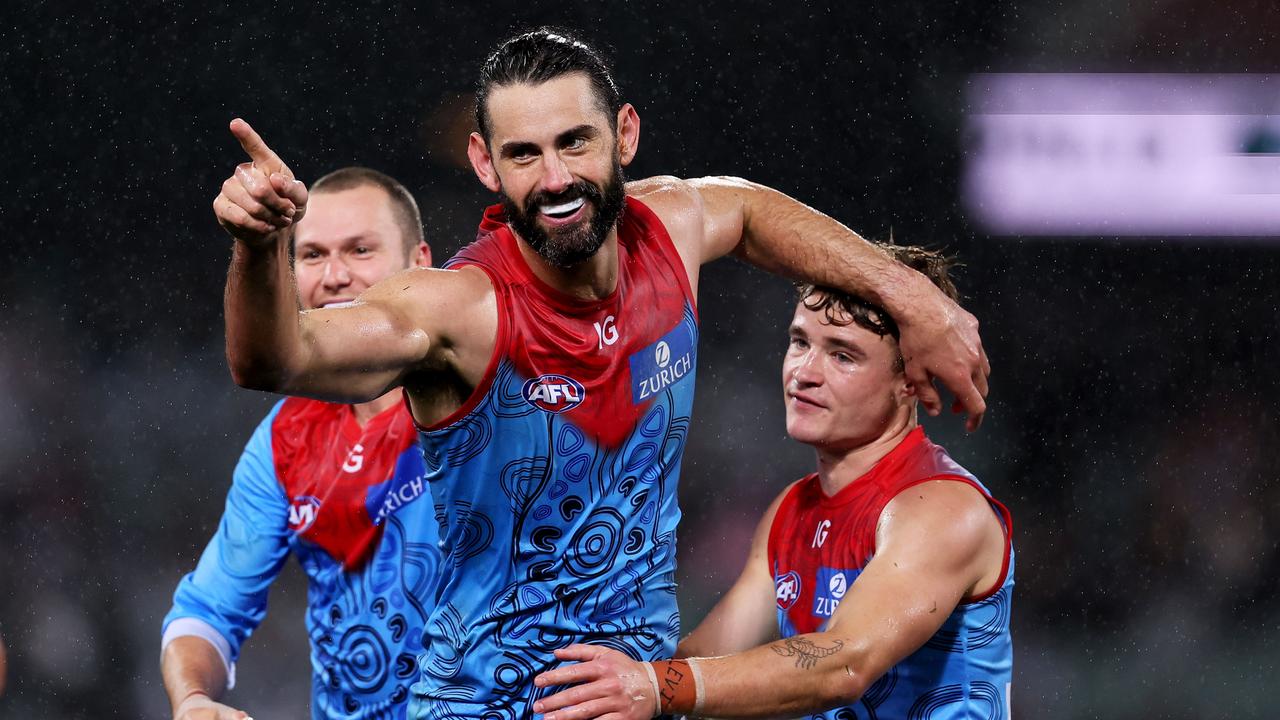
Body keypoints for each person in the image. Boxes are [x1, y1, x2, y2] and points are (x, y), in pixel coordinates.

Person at [211, 28, 990, 717]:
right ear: (485, 162)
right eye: (523, 153)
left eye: (574, 142)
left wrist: (913, 297)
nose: (554, 179)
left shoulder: (671, 232)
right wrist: (256, 249)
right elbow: (274, 359)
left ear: (625, 134)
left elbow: (749, 209)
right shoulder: (457, 308)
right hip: (483, 705)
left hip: (631, 696)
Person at [530, 245, 1012, 720]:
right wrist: (590, 687)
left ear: (910, 381)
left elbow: (844, 665)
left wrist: (654, 687)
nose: (804, 373)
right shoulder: (791, 509)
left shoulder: (943, 508)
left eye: (843, 356)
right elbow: (707, 658)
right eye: (800, 342)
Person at [163, 167, 440, 720]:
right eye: (311, 255)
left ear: (420, 263)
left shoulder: (488, 392)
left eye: (360, 250)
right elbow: (209, 611)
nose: (335, 275)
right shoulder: (283, 442)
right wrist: (193, 699)